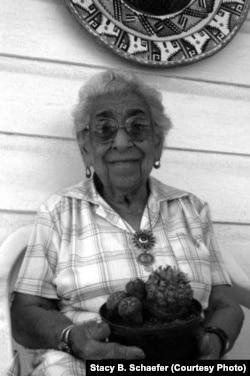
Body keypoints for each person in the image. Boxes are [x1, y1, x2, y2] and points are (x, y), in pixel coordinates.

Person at [10, 70, 244, 375]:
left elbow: (225, 304)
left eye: (138, 127)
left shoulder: (191, 209)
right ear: (85, 148)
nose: (122, 142)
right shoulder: (59, 212)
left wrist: (214, 340)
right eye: (105, 129)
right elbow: (26, 312)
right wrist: (72, 338)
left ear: (157, 144)